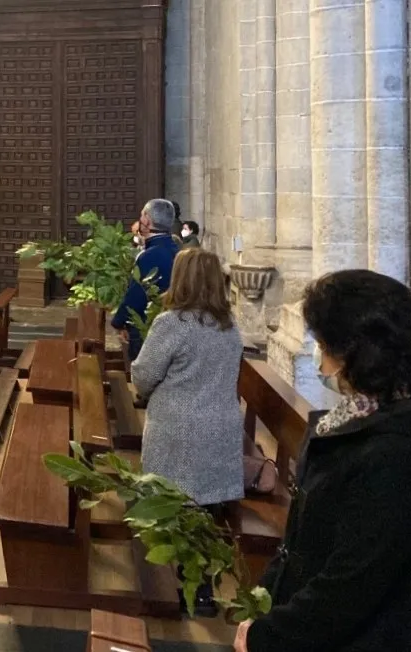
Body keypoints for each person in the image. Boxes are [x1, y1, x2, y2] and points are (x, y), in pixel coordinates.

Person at [233, 270, 411, 652]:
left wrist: (269, 635)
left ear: (360, 351)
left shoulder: (402, 456)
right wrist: (267, 598)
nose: (320, 357)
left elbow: (352, 585)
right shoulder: (363, 419)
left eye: (325, 345)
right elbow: (307, 541)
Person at [131, 248, 244, 617]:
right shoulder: (230, 328)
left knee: (174, 503)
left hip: (178, 427)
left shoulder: (172, 323)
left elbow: (145, 373)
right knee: (206, 507)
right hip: (220, 426)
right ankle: (203, 588)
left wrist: (144, 389)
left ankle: (173, 583)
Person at [113, 198, 181, 360]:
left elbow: (137, 295)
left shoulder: (149, 256)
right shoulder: (177, 249)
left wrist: (119, 322)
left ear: (147, 220)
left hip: (150, 328)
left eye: (142, 214)